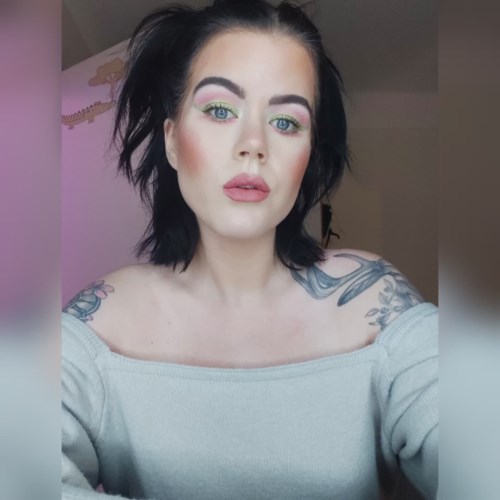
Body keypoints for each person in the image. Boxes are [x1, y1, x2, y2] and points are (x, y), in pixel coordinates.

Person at [62, 0, 438, 498]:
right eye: (220, 110)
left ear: (309, 154)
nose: (254, 144)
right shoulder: (97, 325)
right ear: (172, 140)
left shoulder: (374, 303)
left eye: (286, 122)